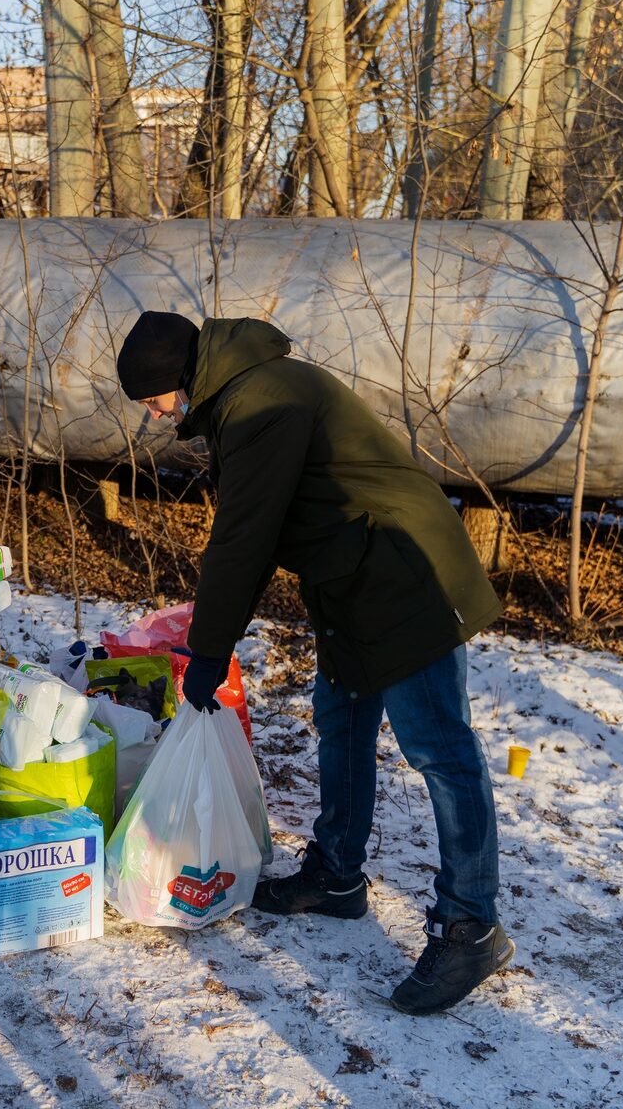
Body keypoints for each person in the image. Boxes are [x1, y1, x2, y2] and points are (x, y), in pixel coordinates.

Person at [114, 310, 511, 1016]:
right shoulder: (245, 394)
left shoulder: (263, 402)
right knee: (343, 720)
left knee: (440, 749)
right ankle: (335, 876)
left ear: (180, 377)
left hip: (402, 573)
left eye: (152, 399)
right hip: (351, 575)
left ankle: (469, 924)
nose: (154, 415)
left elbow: (244, 538)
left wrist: (208, 649)